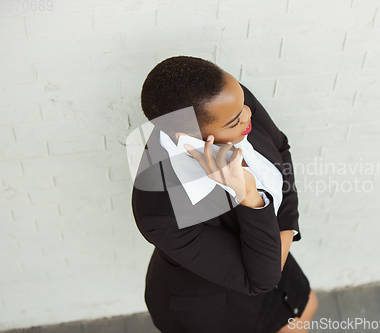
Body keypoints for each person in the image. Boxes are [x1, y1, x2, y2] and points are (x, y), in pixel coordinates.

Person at [132, 55, 318, 333]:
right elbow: (259, 280)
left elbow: (280, 148)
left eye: (244, 103)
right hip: (215, 308)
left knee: (307, 307)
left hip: (271, 253)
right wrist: (249, 196)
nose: (248, 114)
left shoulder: (230, 103)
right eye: (235, 121)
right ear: (188, 137)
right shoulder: (159, 211)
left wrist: (284, 233)